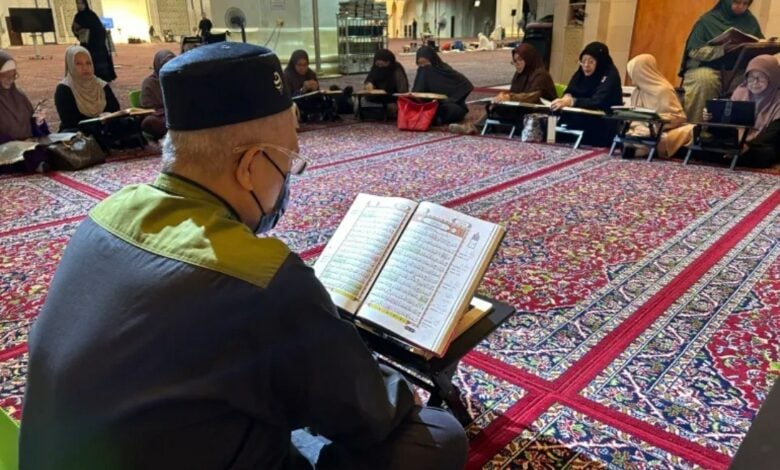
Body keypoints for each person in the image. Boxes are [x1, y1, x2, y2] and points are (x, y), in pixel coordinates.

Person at [20, 41, 468, 469]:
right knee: (436, 436)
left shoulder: (107, 212)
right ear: (250, 166)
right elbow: (372, 410)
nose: (288, 178)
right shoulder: (259, 276)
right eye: (288, 162)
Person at [680, 0, 763, 121]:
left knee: (756, 80)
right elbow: (694, 51)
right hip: (706, 67)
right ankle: (697, 127)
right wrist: (722, 49)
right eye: (737, 2)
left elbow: (758, 42)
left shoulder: (750, 21)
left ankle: (742, 129)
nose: (741, 7)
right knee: (705, 80)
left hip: (737, 70)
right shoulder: (707, 21)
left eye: (745, 4)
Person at [703, 54, 779, 167]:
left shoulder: (777, 99)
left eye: (761, 77)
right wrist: (711, 117)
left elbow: (773, 136)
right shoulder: (741, 92)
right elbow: (727, 126)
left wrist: (747, 146)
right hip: (736, 143)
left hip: (761, 145)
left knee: (765, 154)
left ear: (773, 78)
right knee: (702, 145)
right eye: (751, 77)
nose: (755, 82)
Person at [551, 41, 623, 147]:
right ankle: (549, 139)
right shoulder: (580, 73)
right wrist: (566, 96)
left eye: (591, 62)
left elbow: (598, 101)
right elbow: (570, 90)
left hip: (601, 122)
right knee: (552, 112)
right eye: (583, 61)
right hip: (579, 117)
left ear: (600, 62)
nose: (586, 65)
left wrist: (572, 102)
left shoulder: (610, 73)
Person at [623, 54, 693, 158]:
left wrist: (656, 121)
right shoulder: (637, 91)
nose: (631, 76)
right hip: (641, 129)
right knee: (634, 132)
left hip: (662, 129)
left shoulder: (663, 90)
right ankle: (641, 148)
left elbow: (679, 117)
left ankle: (642, 149)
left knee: (689, 130)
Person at [0, 51, 50, 173]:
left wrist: (38, 121)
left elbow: (33, 126)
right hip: (5, 147)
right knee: (28, 155)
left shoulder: (19, 95)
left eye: (13, 75)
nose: (10, 80)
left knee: (46, 149)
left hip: (26, 145)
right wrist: (17, 142)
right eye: (5, 76)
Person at [54, 45, 120, 133]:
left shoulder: (101, 85)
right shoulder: (64, 88)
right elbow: (69, 120)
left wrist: (107, 116)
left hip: (104, 128)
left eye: (88, 63)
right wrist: (98, 121)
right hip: (78, 131)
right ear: (70, 65)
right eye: (78, 64)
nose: (85, 68)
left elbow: (115, 109)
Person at [413, 45, 474, 125]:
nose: (423, 67)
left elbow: (466, 84)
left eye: (425, 63)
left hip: (444, 105)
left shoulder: (444, 70)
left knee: (453, 110)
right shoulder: (421, 73)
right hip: (426, 105)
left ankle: (433, 119)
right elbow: (417, 92)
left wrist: (450, 100)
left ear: (433, 60)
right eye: (420, 64)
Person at [284, 50, 335, 122]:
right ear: (293, 64)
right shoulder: (287, 76)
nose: (302, 68)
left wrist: (315, 89)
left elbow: (317, 93)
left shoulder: (310, 73)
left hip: (311, 102)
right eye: (299, 65)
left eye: (305, 65)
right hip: (296, 105)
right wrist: (302, 90)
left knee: (328, 100)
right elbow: (287, 98)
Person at [71, 0, 116, 82]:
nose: (79, 5)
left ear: (85, 4)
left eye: (81, 3)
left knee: (100, 61)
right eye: (78, 3)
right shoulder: (78, 16)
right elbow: (74, 28)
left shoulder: (92, 15)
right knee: (88, 60)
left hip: (98, 43)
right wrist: (81, 33)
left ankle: (103, 77)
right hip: (87, 44)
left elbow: (99, 27)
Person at [140, 49, 176, 140]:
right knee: (149, 121)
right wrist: (164, 111)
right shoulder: (149, 83)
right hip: (161, 116)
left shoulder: (179, 79)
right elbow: (146, 107)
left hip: (178, 114)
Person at [363, 49, 409, 118]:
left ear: (389, 62)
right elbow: (369, 79)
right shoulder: (375, 68)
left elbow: (402, 90)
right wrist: (369, 84)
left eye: (382, 64)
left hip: (391, 100)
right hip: (375, 99)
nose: (380, 67)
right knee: (359, 106)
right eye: (378, 64)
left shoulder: (396, 69)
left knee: (390, 109)